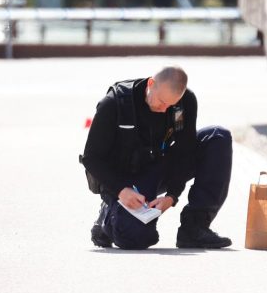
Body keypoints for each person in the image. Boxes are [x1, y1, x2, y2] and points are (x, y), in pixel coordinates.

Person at [81, 67, 234, 250]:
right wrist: (120, 190)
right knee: (135, 239)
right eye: (161, 102)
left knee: (217, 137)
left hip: (159, 166)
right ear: (151, 84)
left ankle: (194, 227)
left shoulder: (184, 102)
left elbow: (185, 150)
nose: (164, 110)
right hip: (125, 180)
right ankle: (108, 217)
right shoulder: (115, 103)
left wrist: (172, 195)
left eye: (170, 105)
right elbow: (91, 158)